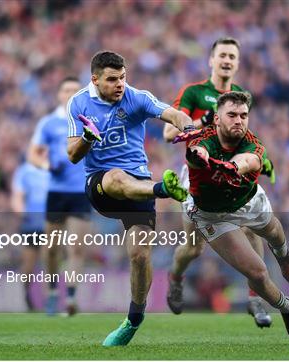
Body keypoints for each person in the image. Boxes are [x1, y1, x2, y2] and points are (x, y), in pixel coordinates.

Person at [66, 50, 196, 346]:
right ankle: (163, 190)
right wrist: (88, 137)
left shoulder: (136, 97)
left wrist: (189, 129)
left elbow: (173, 114)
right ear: (95, 79)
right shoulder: (78, 103)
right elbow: (73, 155)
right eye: (112, 79)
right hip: (102, 187)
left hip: (139, 185)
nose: (120, 84)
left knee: (139, 256)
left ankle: (134, 319)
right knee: (115, 177)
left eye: (123, 77)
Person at [179, 91, 289, 344]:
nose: (239, 120)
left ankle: (283, 256)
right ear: (216, 119)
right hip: (212, 215)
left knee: (273, 232)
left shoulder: (254, 144)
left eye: (243, 115)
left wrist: (232, 167)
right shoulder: (202, 140)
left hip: (247, 201)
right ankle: (288, 310)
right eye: (232, 115)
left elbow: (248, 160)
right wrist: (202, 158)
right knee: (258, 274)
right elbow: (197, 154)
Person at [163, 37, 275, 328]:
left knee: (252, 227)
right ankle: (175, 277)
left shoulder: (240, 95)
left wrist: (262, 161)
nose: (227, 60)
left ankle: (256, 297)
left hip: (231, 173)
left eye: (232, 56)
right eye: (222, 55)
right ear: (211, 60)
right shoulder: (195, 92)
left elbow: (245, 138)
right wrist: (204, 121)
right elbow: (167, 133)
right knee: (194, 248)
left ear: (237, 64)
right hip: (199, 177)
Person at [28, 76, 91, 316]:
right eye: (66, 90)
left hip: (80, 192)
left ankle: (72, 297)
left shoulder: (88, 121)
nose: (71, 94)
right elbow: (33, 154)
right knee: (52, 248)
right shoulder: (48, 123)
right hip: (56, 192)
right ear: (59, 94)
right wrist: (46, 166)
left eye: (75, 90)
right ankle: (53, 292)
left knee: (75, 247)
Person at [10, 159, 50, 311]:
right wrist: (22, 213)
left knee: (49, 260)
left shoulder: (53, 168)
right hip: (31, 224)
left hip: (50, 222)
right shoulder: (24, 171)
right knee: (28, 265)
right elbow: (17, 196)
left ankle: (49, 300)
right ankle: (26, 295)